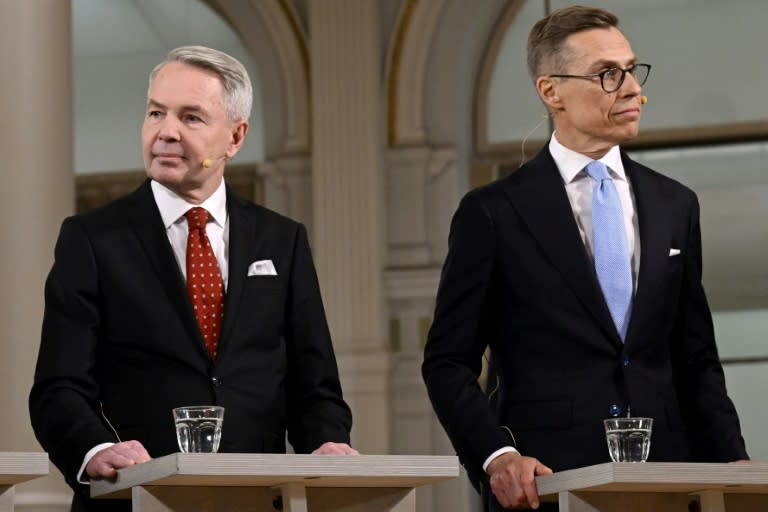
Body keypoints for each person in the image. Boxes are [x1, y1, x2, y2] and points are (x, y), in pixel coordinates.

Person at [422, 6, 748, 511]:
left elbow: (696, 357)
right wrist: (496, 455)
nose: (631, 89)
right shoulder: (493, 212)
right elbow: (447, 362)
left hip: (668, 479)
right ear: (551, 91)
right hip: (548, 484)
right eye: (606, 74)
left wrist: (732, 463)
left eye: (632, 70)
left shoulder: (676, 204)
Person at [29, 46, 357, 512]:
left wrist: (327, 443)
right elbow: (58, 388)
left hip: (258, 500)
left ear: (235, 137)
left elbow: (316, 387)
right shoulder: (91, 239)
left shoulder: (282, 241)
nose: (165, 131)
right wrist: (96, 449)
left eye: (191, 117)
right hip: (135, 499)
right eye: (156, 112)